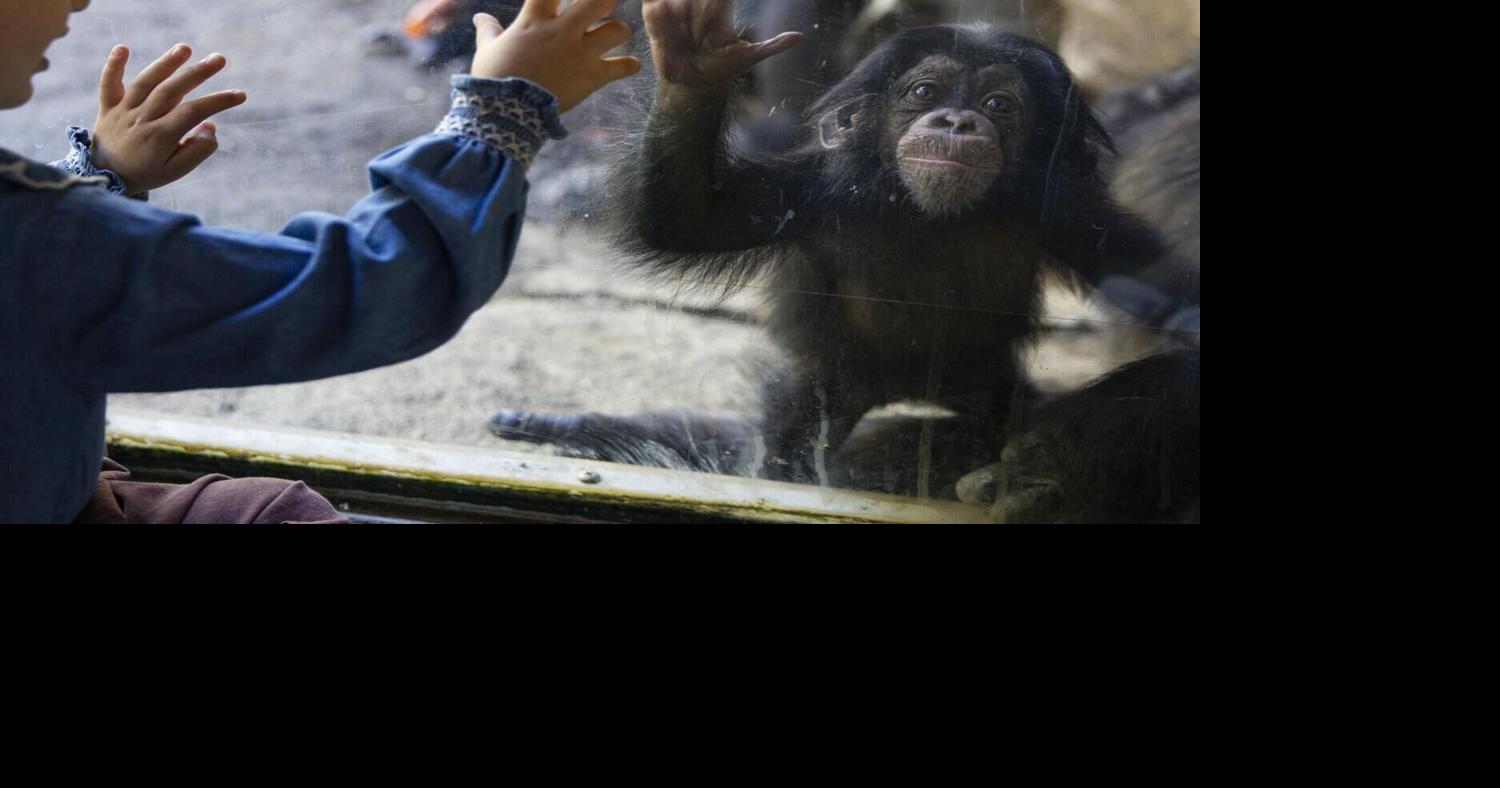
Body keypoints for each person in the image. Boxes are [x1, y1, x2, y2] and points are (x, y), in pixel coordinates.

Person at [0, 0, 642, 524]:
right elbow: (370, 284)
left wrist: (98, 178)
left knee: (264, 506)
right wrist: (502, 113)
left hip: (47, 476)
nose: (79, 1)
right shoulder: (37, 243)